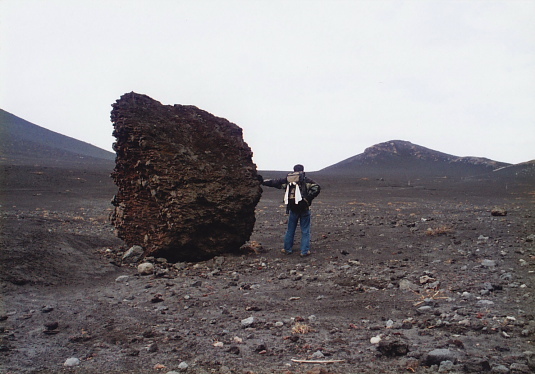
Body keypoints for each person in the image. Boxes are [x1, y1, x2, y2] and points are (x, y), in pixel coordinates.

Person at [261, 164, 321, 257]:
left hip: (292, 208)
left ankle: (287, 249)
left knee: (290, 229)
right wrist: (307, 199)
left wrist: (263, 182)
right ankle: (304, 251)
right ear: (302, 170)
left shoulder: (288, 180)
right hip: (304, 208)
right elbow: (317, 187)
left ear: (294, 170)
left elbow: (276, 183)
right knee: (305, 230)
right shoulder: (306, 180)